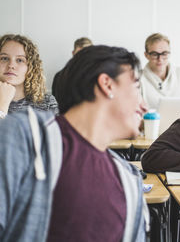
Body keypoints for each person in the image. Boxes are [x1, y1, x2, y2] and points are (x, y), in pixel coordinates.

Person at [0, 45, 149, 241]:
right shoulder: (24, 137)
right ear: (107, 84)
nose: (144, 106)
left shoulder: (130, 180)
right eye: (137, 87)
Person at [0, 34, 58, 118]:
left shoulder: (47, 102)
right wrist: (2, 106)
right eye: (4, 58)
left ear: (31, 67)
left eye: (20, 60)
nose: (11, 65)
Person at [140, 33, 180, 109]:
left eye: (164, 54)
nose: (160, 59)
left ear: (169, 53)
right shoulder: (138, 78)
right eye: (154, 54)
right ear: (146, 55)